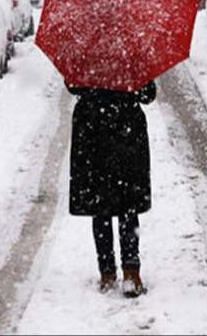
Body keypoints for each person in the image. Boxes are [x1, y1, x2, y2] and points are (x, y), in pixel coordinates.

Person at [67, 80, 157, 297]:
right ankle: (131, 272)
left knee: (101, 207)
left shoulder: (85, 52)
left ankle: (107, 273)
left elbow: (72, 85)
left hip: (92, 132)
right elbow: (148, 94)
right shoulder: (133, 54)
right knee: (128, 205)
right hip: (126, 132)